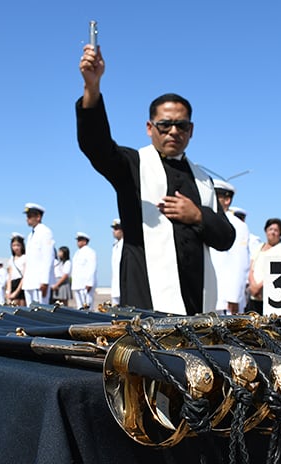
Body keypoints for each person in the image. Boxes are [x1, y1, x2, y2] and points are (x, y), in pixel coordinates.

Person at [77, 44, 235, 315]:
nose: (174, 131)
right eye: (165, 124)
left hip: (199, 305)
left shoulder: (203, 180)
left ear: (191, 130)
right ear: (150, 128)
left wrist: (198, 216)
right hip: (146, 299)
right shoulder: (133, 165)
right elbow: (96, 145)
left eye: (182, 125)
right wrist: (92, 88)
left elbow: (226, 238)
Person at [211, 179, 250, 314]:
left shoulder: (238, 225)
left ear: (227, 200)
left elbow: (240, 263)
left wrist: (234, 297)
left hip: (225, 300)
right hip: (208, 295)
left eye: (216, 195)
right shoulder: (208, 220)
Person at [248, 218, 281, 314]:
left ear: (280, 233)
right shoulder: (259, 247)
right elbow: (251, 268)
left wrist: (259, 287)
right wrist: (253, 285)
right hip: (254, 296)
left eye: (276, 230)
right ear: (266, 231)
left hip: (269, 297)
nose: (273, 232)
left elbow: (277, 272)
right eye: (270, 229)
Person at [22, 203, 56, 305]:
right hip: (29, 281)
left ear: (38, 217)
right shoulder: (31, 235)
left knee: (40, 312)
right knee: (29, 312)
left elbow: (48, 257)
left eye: (29, 216)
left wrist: (45, 282)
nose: (27, 219)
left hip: (39, 282)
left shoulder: (45, 232)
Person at [71, 233, 98, 309]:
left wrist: (89, 283)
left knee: (87, 306)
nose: (78, 242)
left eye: (80, 240)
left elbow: (92, 268)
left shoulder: (90, 252)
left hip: (85, 285)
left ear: (85, 241)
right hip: (77, 284)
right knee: (79, 307)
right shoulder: (77, 253)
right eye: (78, 240)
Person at [5, 235, 27, 306]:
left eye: (18, 245)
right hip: (13, 283)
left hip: (21, 285)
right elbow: (9, 276)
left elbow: (24, 276)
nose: (16, 248)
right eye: (14, 245)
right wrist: (8, 291)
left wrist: (17, 292)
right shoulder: (11, 259)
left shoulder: (25, 258)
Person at [110, 219, 123, 306]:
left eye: (116, 228)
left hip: (123, 283)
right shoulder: (115, 245)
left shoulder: (125, 244)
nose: (114, 231)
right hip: (115, 283)